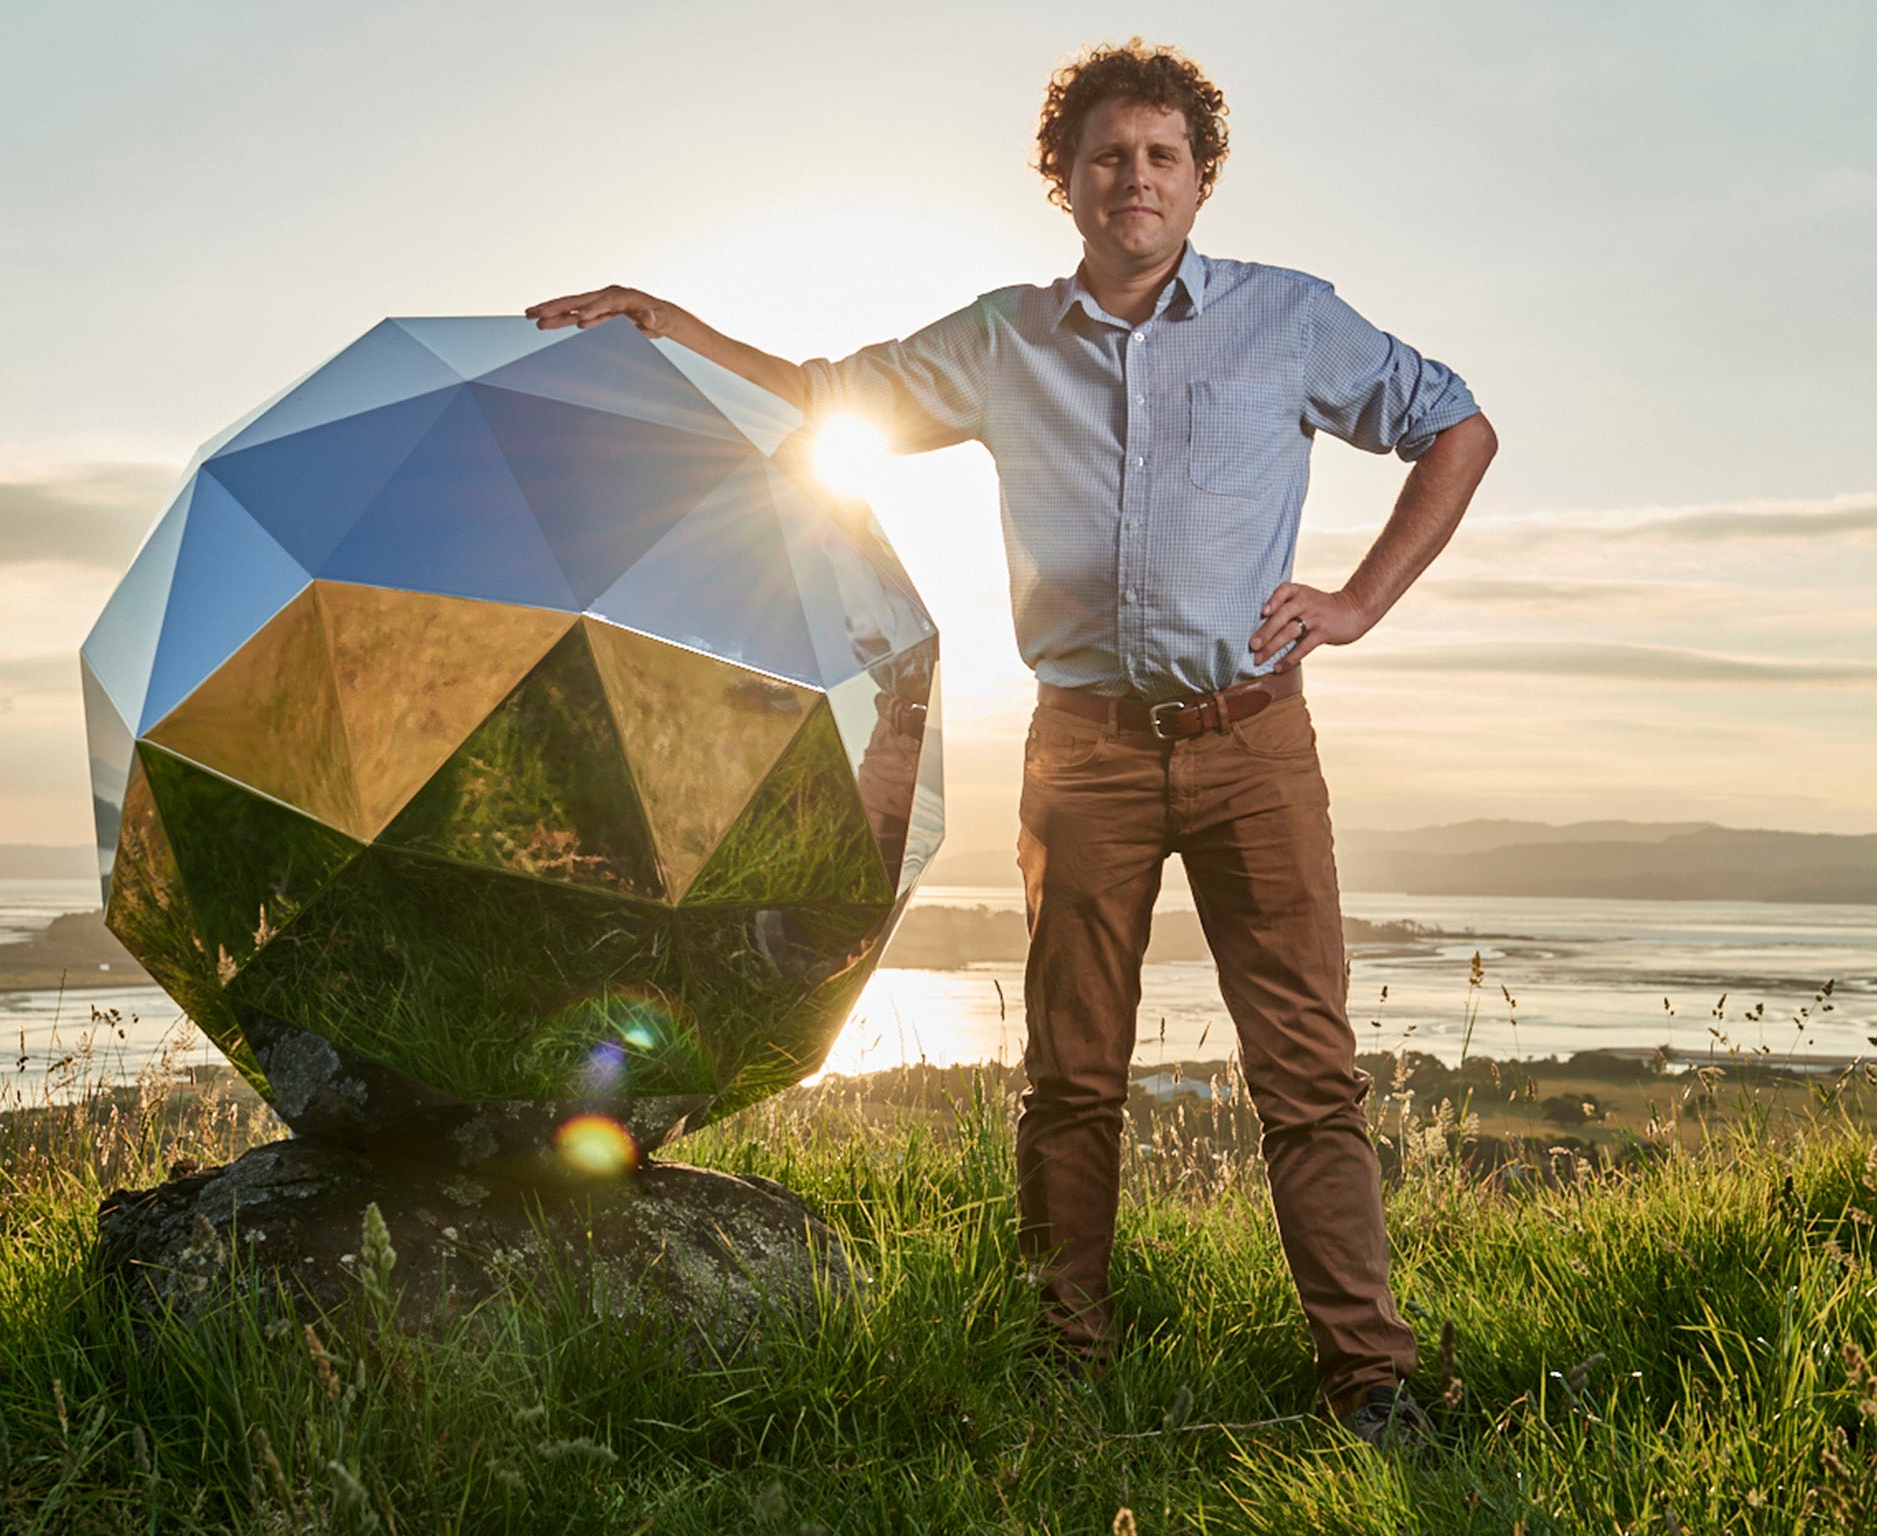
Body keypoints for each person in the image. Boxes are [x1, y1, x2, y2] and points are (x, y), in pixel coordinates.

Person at [527, 39, 1496, 1450]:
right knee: (1071, 1073)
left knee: (1308, 1071)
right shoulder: (1004, 340)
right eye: (1110, 156)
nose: (1137, 179)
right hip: (1085, 752)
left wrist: (1359, 600)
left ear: (1202, 177)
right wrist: (675, 329)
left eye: (1164, 155)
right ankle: (1065, 1358)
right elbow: (823, 393)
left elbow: (1455, 425)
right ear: (1068, 182)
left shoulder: (1289, 321)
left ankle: (1371, 1381)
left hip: (1254, 743)